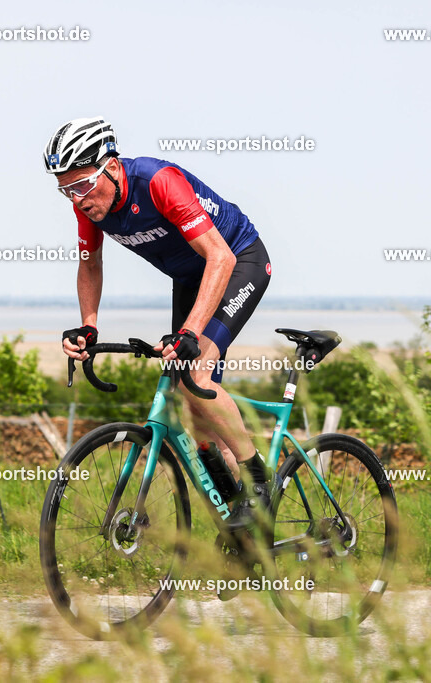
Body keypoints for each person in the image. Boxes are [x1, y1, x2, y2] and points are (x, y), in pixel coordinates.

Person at [47, 116, 271, 530]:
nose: (76, 199)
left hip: (238, 261)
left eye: (81, 185)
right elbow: (89, 264)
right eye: (65, 189)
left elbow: (220, 259)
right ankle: (244, 531)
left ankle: (260, 482)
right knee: (194, 405)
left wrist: (189, 333)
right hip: (192, 279)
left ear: (111, 167)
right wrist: (88, 326)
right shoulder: (91, 208)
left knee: (195, 373)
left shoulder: (158, 182)